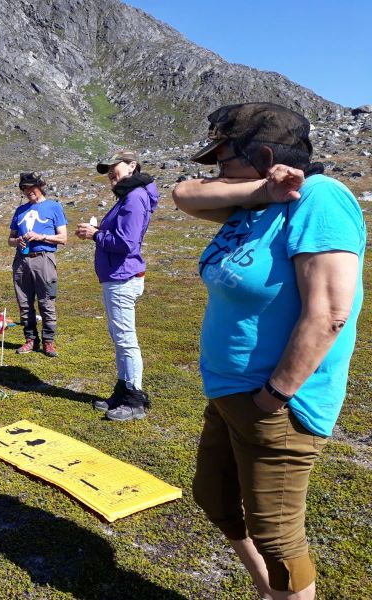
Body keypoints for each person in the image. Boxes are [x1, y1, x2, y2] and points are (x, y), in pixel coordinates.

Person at [172, 103, 365, 600]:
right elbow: (183, 194)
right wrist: (260, 188)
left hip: (277, 404)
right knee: (215, 499)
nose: (217, 171)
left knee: (278, 539)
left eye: (224, 158)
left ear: (259, 152)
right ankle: (268, 592)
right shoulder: (259, 201)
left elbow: (329, 314)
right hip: (230, 394)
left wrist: (272, 397)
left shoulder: (319, 199)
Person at [75, 151, 158, 421]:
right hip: (118, 276)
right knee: (120, 338)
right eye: (107, 169)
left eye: (115, 167)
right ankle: (123, 391)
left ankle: (135, 398)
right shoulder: (129, 195)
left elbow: (126, 242)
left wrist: (95, 234)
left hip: (122, 277)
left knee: (125, 340)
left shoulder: (134, 197)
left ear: (132, 165)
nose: (111, 173)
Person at [8, 172, 68, 357]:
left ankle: (48, 342)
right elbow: (9, 239)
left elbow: (63, 238)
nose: (28, 191)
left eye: (31, 187)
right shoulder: (20, 210)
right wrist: (18, 241)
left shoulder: (54, 207)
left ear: (40, 186)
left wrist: (41, 236)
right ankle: (30, 340)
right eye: (24, 188)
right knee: (24, 302)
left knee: (46, 301)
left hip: (44, 258)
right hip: (22, 260)